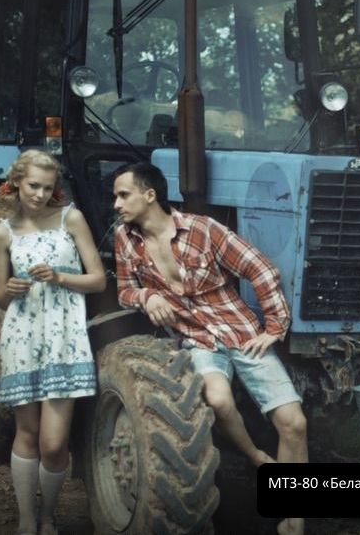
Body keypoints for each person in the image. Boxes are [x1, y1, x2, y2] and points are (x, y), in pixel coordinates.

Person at [112, 162, 307, 535]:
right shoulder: (125, 238)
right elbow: (124, 290)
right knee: (217, 399)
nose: (116, 204)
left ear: (149, 195)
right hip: (196, 339)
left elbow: (261, 269)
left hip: (240, 333)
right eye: (115, 197)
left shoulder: (203, 229)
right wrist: (147, 296)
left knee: (294, 424)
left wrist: (274, 328)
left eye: (123, 195)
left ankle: (293, 523)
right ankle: (256, 457)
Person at [0, 149, 106, 535]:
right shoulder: (3, 232)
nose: (40, 194)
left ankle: (48, 516)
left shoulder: (70, 218)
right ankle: (28, 520)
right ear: (16, 182)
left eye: (47, 187)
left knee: (54, 444)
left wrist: (59, 277)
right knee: (26, 434)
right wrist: (9, 288)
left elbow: (98, 280)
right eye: (33, 186)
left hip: (65, 339)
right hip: (22, 338)